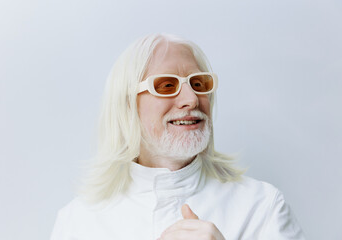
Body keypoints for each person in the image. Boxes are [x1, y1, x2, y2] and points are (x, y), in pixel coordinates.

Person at [50, 34, 305, 240]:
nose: (191, 99)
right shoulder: (78, 222)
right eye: (166, 85)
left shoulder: (262, 208)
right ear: (127, 104)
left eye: (198, 84)